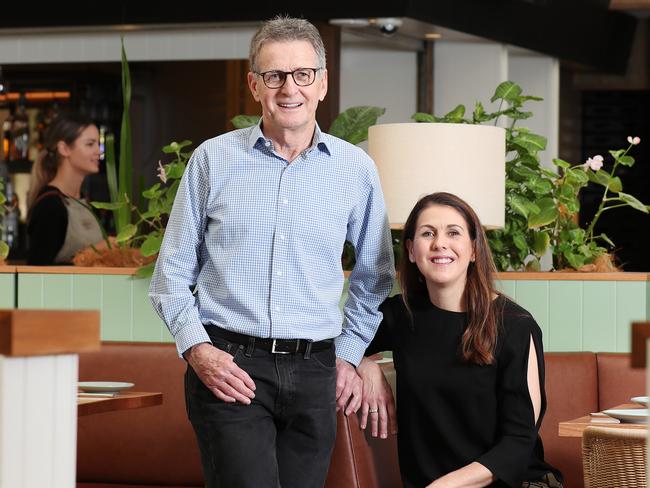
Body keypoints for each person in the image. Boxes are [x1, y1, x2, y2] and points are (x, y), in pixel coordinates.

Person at [148, 15, 394, 488]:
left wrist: (347, 355)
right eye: (274, 75)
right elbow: (171, 275)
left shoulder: (355, 170)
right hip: (230, 368)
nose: (289, 88)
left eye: (302, 74)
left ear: (322, 83)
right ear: (254, 85)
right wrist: (198, 349)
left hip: (317, 372)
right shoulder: (213, 160)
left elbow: (375, 277)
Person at [357, 192, 563, 488]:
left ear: (474, 250)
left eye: (453, 233)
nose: (440, 243)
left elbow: (518, 443)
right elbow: (332, 348)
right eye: (428, 233)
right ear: (412, 251)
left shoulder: (514, 326)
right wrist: (364, 364)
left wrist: (444, 486)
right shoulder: (399, 316)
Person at [26, 113, 106, 265]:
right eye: (90, 144)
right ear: (64, 149)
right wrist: (94, 252)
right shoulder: (50, 206)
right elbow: (36, 274)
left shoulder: (85, 203)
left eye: (98, 143)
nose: (99, 151)